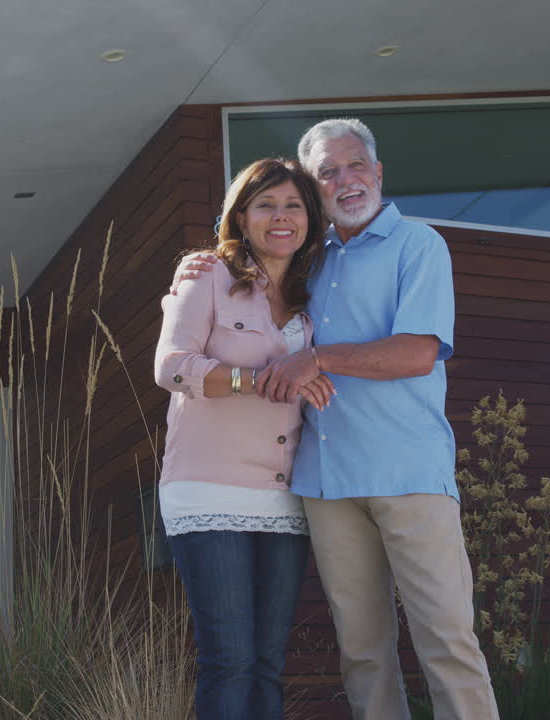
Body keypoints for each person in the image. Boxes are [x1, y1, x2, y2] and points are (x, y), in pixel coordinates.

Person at [174, 119, 500, 720]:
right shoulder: (304, 260)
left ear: (378, 173)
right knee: (363, 653)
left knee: (448, 645)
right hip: (325, 485)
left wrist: (317, 357)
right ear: (315, 187)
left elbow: (417, 352)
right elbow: (239, 282)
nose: (345, 181)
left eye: (356, 166)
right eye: (328, 173)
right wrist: (198, 265)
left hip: (409, 477)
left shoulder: (419, 245)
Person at [154, 156, 335, 720]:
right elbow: (171, 366)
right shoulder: (208, 274)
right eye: (266, 205)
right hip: (209, 491)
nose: (281, 218)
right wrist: (258, 380)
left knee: (265, 664)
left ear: (309, 218)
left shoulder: (316, 291)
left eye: (294, 206)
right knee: (228, 661)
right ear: (241, 215)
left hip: (286, 496)